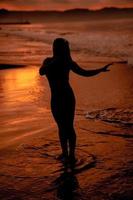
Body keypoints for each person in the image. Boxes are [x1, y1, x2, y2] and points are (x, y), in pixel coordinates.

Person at [39, 38, 113, 164]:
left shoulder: (68, 62)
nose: (66, 50)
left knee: (69, 126)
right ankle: (64, 153)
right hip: (55, 98)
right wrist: (55, 61)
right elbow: (41, 72)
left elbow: (84, 73)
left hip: (67, 97)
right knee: (61, 127)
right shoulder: (48, 61)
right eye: (64, 47)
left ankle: (71, 155)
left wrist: (100, 70)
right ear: (57, 48)